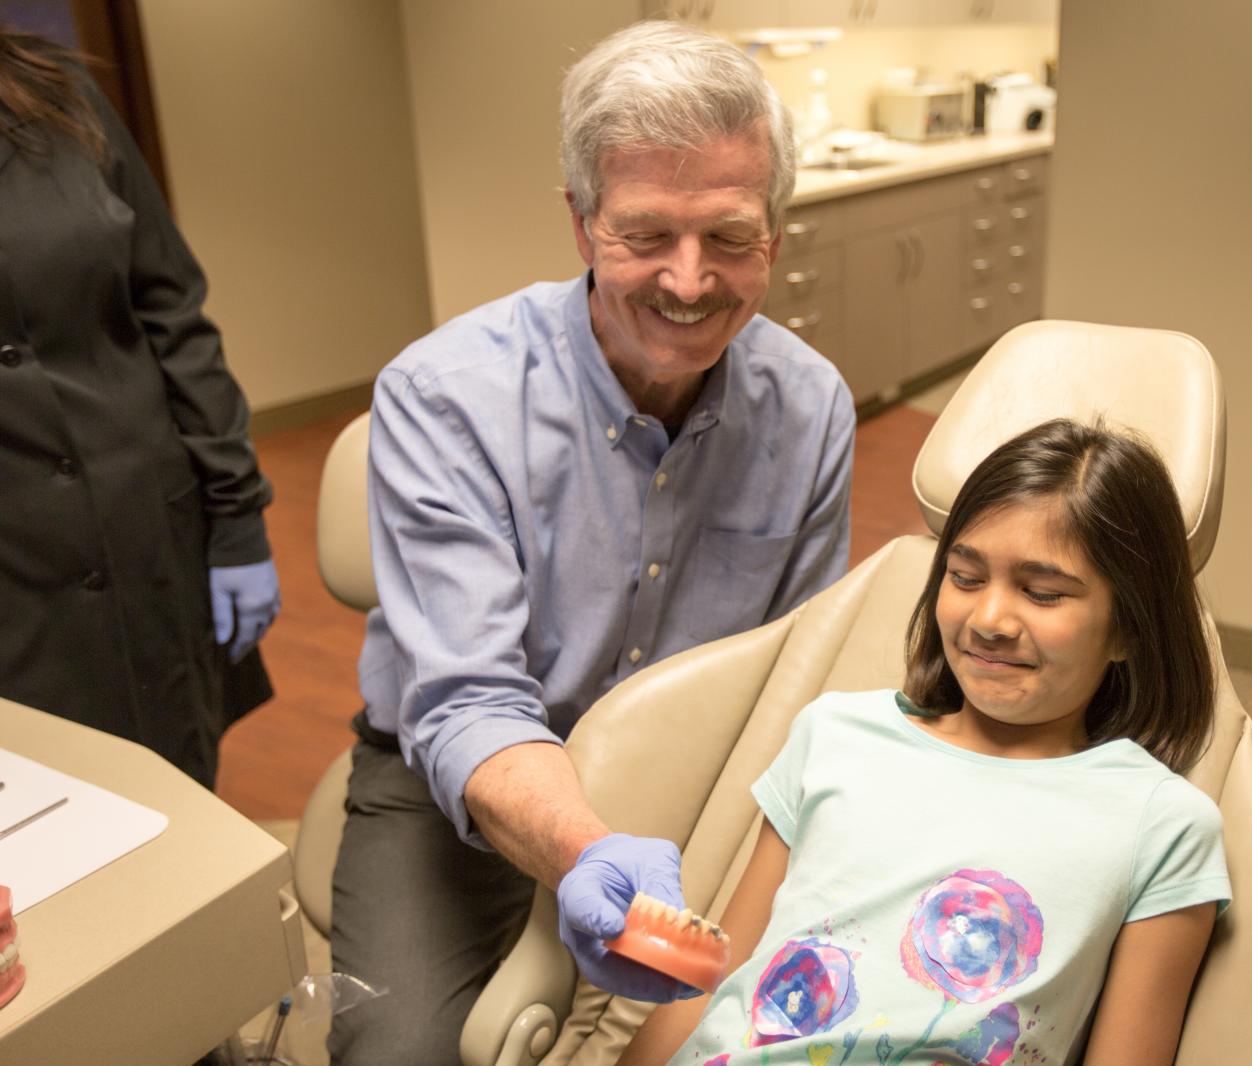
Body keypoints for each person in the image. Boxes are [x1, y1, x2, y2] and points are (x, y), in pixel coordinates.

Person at [328, 20, 856, 1065]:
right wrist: (581, 844)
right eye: (646, 234)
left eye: (731, 236)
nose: (691, 281)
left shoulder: (811, 410)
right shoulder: (446, 397)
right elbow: (469, 699)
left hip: (692, 786)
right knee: (399, 1052)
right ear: (580, 223)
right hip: (455, 787)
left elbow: (796, 688)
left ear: (778, 233)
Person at [620, 418, 1230, 1066]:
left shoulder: (1160, 826)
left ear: (1128, 630)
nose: (988, 619)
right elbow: (713, 967)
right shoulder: (836, 734)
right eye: (965, 578)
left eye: (1043, 593)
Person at [0, 28, 279, 788]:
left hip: (143, 535)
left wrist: (238, 517)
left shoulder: (60, 96)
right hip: (14, 585)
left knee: (178, 784)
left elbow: (172, 313)